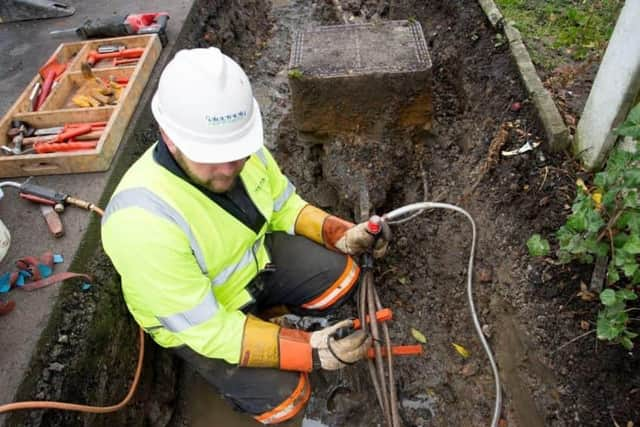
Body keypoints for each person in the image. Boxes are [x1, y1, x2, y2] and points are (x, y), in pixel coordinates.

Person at [101, 47, 389, 424]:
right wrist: (310, 350)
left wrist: (338, 233)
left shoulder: (242, 151)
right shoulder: (143, 224)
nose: (228, 167)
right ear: (169, 138)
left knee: (342, 276)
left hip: (252, 271)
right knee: (289, 398)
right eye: (211, 155)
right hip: (198, 324)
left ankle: (266, 320)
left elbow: (284, 205)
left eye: (235, 151)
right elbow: (209, 328)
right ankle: (227, 374)